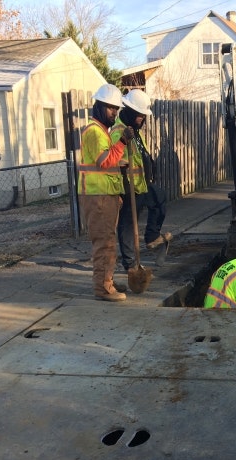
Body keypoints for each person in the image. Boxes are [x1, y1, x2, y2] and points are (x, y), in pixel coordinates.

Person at [77, 83, 135, 301]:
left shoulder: (102, 132)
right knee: (104, 243)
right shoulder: (94, 132)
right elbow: (104, 161)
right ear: (99, 107)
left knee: (108, 240)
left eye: (116, 109)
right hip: (97, 196)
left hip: (104, 194)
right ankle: (103, 288)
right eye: (110, 108)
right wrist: (122, 142)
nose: (114, 112)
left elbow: (106, 163)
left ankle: (106, 280)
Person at [110, 89, 170, 274]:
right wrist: (120, 190)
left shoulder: (135, 131)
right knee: (128, 224)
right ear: (129, 111)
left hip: (141, 184)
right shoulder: (119, 131)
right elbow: (114, 159)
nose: (142, 119)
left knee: (160, 198)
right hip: (127, 187)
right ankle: (130, 264)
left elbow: (141, 154)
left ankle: (152, 237)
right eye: (139, 115)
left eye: (144, 116)